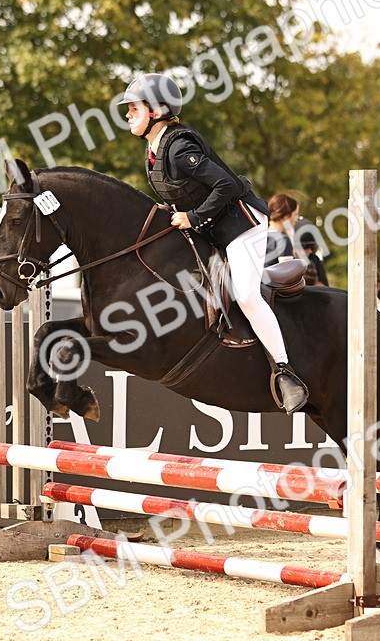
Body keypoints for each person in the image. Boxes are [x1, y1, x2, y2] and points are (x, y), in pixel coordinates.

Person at [117, 73, 307, 413]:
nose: (128, 114)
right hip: (212, 227)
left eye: (133, 108)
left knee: (247, 294)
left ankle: (285, 370)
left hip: (241, 225)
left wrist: (192, 217)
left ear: (157, 110)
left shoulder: (178, 147)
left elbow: (227, 186)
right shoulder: (154, 149)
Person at [264, 192, 300, 266]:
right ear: (286, 216)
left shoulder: (257, 236)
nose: (296, 219)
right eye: (295, 214)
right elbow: (288, 274)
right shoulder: (283, 240)